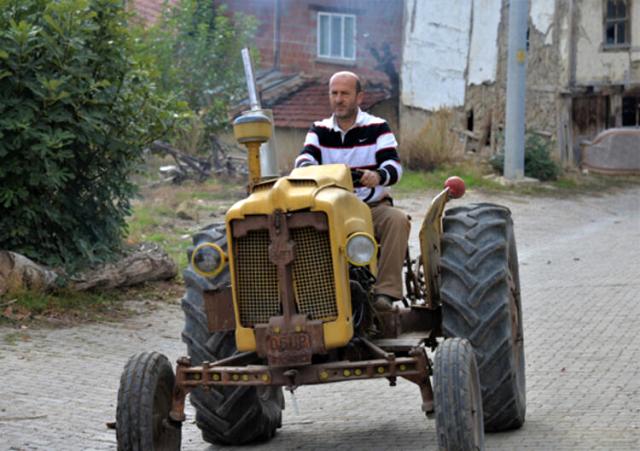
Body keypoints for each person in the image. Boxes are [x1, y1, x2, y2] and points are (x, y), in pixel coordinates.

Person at [294, 71, 410, 311]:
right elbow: (304, 161)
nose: (338, 99)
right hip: (332, 210)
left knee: (397, 221)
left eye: (345, 93)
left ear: (359, 97)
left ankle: (385, 293)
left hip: (370, 208)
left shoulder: (378, 127)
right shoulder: (319, 129)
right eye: (334, 93)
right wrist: (311, 170)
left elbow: (393, 166)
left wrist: (378, 175)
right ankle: (313, 294)